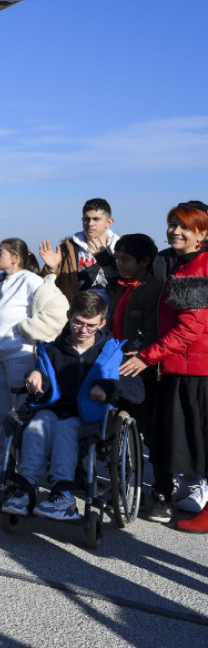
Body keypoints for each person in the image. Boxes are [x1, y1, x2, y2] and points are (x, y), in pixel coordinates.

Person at [1, 292, 143, 520]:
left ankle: (62, 494)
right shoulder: (53, 350)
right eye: (78, 322)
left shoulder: (113, 353)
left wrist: (108, 387)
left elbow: (137, 391)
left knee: (66, 427)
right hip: (53, 410)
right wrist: (34, 375)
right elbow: (45, 379)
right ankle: (26, 488)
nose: (83, 330)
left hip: (89, 417)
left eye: (91, 325)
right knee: (36, 425)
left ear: (102, 323)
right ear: (69, 316)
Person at [120, 202, 208, 530]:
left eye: (185, 226)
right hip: (184, 365)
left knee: (198, 439)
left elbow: (189, 330)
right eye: (172, 224)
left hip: (195, 367)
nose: (175, 231)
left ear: (202, 233)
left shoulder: (195, 269)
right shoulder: (182, 263)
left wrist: (147, 356)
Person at [0, 238, 68, 480]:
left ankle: (24, 466)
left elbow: (58, 311)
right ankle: (5, 462)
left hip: (23, 358)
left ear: (15, 258)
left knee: (20, 415)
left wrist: (27, 329)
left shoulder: (30, 281)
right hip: (2, 358)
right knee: (2, 412)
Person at [87, 233, 164, 518]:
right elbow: (109, 274)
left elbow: (154, 329)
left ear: (145, 262)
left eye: (126, 259)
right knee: (115, 430)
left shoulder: (152, 289)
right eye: (117, 258)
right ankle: (120, 482)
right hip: (118, 367)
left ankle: (162, 492)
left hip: (144, 371)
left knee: (151, 434)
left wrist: (142, 353)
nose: (119, 263)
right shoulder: (121, 285)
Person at [39, 198, 120, 302]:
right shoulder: (68, 249)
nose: (90, 223)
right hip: (76, 308)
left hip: (113, 308)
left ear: (109, 222)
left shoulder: (120, 249)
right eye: (86, 219)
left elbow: (131, 282)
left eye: (96, 219)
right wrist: (52, 269)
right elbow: (48, 288)